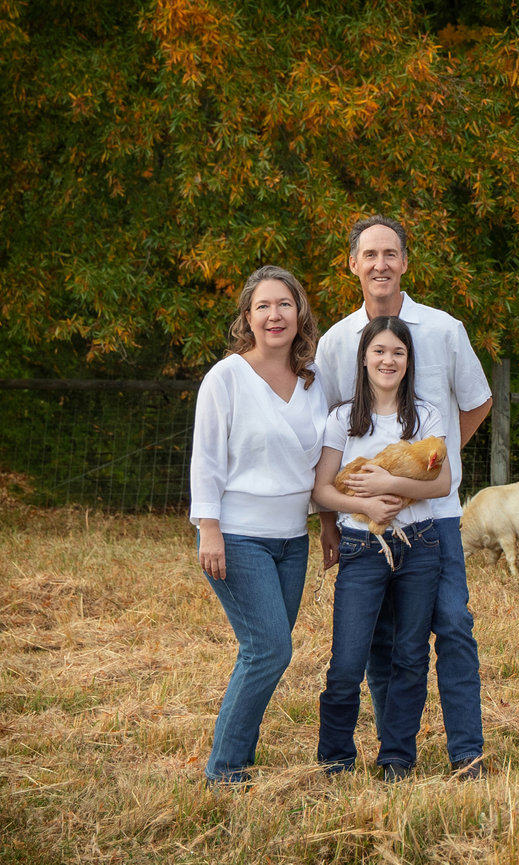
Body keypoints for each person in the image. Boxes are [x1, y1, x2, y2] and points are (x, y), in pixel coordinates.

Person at [316, 215, 492, 778]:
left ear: (405, 263)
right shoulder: (335, 342)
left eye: (391, 254)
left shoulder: (443, 329)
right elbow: (334, 433)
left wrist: (426, 465)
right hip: (366, 525)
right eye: (369, 255)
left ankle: (467, 753)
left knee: (452, 625)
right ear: (353, 265)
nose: (380, 265)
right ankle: (397, 754)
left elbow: (478, 402)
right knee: (381, 639)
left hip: (433, 517)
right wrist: (334, 517)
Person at [189, 265, 333, 785]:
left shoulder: (314, 383)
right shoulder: (226, 377)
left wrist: (328, 524)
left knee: (265, 653)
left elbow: (322, 463)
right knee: (269, 649)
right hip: (238, 536)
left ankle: (238, 760)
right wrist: (209, 528)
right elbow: (206, 457)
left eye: (285, 305)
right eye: (263, 306)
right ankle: (224, 772)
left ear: (300, 315)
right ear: (247, 318)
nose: (275, 315)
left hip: (293, 540)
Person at [314, 316, 451, 781]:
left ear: (408, 362)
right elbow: (322, 491)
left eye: (398, 352)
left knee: (411, 657)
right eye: (379, 352)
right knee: (348, 659)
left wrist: (391, 483)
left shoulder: (426, 416)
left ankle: (397, 757)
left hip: (420, 546)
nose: (388, 360)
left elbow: (445, 482)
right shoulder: (344, 418)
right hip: (362, 547)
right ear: (364, 358)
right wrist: (366, 503)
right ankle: (335, 758)